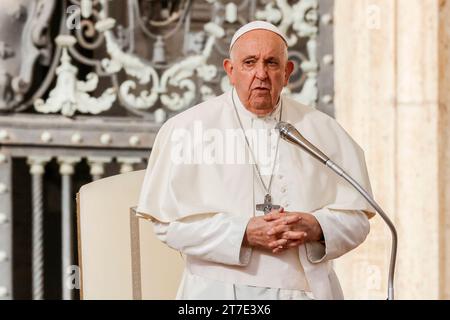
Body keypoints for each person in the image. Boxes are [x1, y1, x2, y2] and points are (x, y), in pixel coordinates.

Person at [137, 21, 375, 300]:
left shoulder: (323, 130)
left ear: (287, 73)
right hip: (218, 291)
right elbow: (167, 225)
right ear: (230, 71)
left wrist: (317, 227)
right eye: (250, 62)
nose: (261, 73)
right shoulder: (187, 129)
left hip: (307, 291)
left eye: (272, 63)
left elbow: (358, 219)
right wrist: (243, 233)